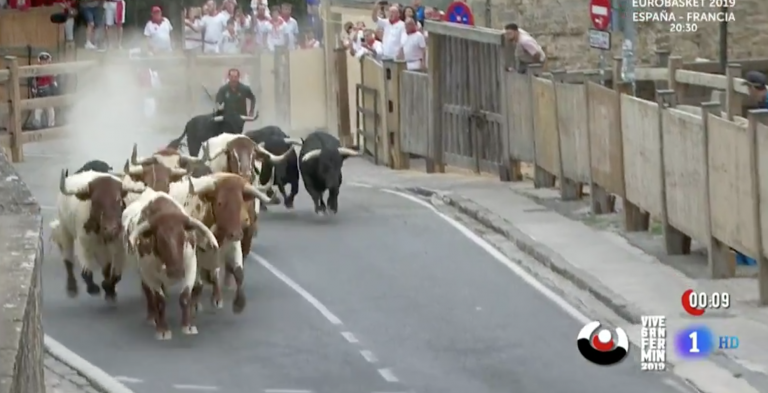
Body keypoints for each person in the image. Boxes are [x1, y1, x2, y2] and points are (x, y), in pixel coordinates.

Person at [32, 52, 57, 129]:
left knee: (51, 110)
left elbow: (53, 81)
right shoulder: (37, 71)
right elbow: (34, 81)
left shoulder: (50, 71)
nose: (44, 63)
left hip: (48, 93)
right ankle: (37, 124)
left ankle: (51, 125)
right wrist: (34, 88)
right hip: (40, 92)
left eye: (46, 61)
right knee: (38, 110)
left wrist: (54, 86)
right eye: (43, 61)